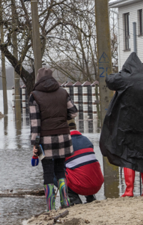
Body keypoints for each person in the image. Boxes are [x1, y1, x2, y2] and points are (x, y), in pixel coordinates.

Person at [99, 52, 143, 197]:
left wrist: (123, 73)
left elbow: (109, 80)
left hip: (127, 124)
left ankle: (129, 190)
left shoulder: (123, 79)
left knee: (127, 155)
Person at [29, 68, 78, 211]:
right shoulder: (63, 92)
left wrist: (35, 143)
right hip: (63, 136)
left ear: (38, 79)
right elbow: (74, 112)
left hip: (45, 138)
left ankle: (51, 206)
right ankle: (65, 202)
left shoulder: (34, 96)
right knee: (61, 170)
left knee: (48, 172)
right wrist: (63, 118)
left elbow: (35, 123)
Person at [64, 122, 104, 205]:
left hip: (82, 186)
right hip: (97, 184)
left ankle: (74, 200)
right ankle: (90, 197)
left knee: (56, 172)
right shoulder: (86, 140)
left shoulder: (65, 143)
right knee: (85, 167)